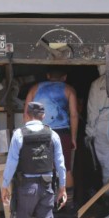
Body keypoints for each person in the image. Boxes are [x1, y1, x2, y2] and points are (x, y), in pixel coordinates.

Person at [1, 101, 67, 218]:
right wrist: (63, 187)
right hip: (46, 187)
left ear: (26, 114)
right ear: (43, 116)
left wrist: (5, 185)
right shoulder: (53, 135)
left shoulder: (18, 135)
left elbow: (11, 163)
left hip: (26, 188)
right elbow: (60, 164)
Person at [25, 69, 78, 210]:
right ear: (64, 76)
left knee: (41, 169)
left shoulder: (35, 88)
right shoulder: (68, 89)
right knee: (66, 169)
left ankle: (42, 205)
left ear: (48, 76)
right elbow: (74, 115)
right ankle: (69, 205)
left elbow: (26, 114)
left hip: (40, 132)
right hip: (62, 133)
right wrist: (73, 137)